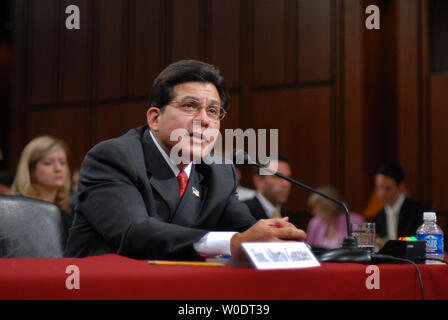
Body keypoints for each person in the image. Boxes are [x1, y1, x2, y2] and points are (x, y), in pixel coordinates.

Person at [64, 59, 306, 260]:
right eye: (190, 106)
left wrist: (276, 236)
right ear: (155, 118)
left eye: (213, 111)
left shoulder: (219, 172)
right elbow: (134, 233)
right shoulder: (113, 157)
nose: (205, 120)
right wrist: (234, 242)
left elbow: (245, 228)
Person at [10, 135, 74, 232]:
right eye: (48, 163)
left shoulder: (69, 212)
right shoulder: (17, 210)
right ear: (31, 170)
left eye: (62, 162)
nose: (58, 168)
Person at [242, 156, 301, 228]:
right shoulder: (243, 213)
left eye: (288, 178)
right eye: (277, 177)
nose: (286, 184)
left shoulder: (292, 222)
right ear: (258, 181)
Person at [373, 161, 426, 241]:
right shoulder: (378, 217)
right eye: (379, 188)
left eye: (388, 188)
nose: (382, 193)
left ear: (401, 186)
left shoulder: (418, 212)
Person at [306, 186, 365, 250]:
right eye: (314, 209)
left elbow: (363, 248)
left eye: (320, 209)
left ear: (331, 207)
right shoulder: (315, 222)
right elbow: (308, 247)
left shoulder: (355, 220)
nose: (315, 212)